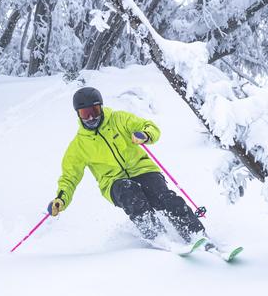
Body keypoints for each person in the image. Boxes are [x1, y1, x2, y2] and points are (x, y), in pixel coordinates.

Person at [47, 86, 205, 243]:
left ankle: (197, 234)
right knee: (130, 193)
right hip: (114, 182)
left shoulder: (119, 119)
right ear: (78, 115)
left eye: (94, 111)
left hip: (143, 169)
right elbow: (69, 177)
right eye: (84, 114)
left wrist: (145, 135)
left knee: (165, 197)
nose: (90, 118)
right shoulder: (79, 146)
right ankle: (159, 237)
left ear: (100, 108)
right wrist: (61, 199)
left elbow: (150, 126)